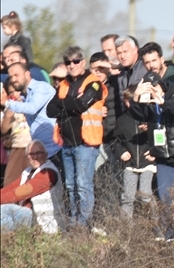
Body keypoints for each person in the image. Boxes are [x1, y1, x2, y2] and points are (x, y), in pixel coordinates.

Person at [129, 71, 174, 228]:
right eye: (148, 89)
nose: (152, 91)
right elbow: (138, 115)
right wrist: (136, 97)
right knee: (165, 197)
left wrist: (164, 103)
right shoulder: (148, 101)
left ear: (160, 85)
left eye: (153, 87)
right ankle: (170, 236)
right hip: (164, 157)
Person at [46, 45, 107, 227]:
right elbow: (50, 110)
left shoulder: (93, 82)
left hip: (86, 143)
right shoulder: (64, 84)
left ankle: (84, 223)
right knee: (71, 186)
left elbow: (82, 105)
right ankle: (74, 222)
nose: (72, 65)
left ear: (83, 62)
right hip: (67, 143)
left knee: (82, 185)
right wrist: (71, 103)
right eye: (68, 62)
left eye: (75, 61)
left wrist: (64, 106)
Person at [0, 139, 66, 234]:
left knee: (4, 210)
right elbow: (11, 188)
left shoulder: (47, 173)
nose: (35, 157)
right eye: (31, 154)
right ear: (27, 156)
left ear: (46, 155)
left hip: (43, 221)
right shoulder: (27, 172)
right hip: (28, 215)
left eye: (39, 153)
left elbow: (19, 193)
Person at [110, 84, 155, 218]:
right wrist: (121, 152)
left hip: (148, 163)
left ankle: (157, 226)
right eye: (129, 101)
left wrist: (154, 151)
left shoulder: (151, 117)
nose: (131, 104)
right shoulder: (122, 120)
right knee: (127, 197)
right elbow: (115, 140)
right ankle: (126, 229)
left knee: (145, 194)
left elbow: (160, 136)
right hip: (130, 164)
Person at [1, 62, 59, 162]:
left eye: (16, 75)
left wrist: (7, 102)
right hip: (43, 153)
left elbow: (32, 108)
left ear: (27, 74)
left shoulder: (40, 88)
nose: (13, 80)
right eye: (11, 77)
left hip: (56, 150)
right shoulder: (25, 97)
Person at [1, 80, 31, 186]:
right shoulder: (10, 107)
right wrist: (8, 116)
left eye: (17, 91)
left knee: (29, 180)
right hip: (17, 146)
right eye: (11, 92)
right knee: (10, 181)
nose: (15, 94)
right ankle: (10, 201)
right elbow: (3, 130)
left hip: (31, 146)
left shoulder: (30, 103)